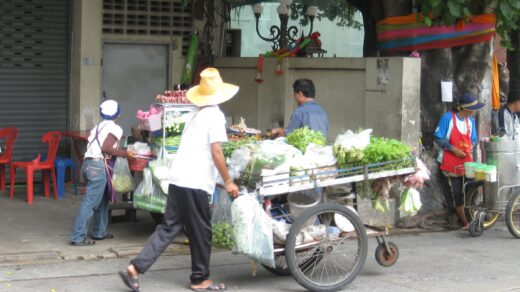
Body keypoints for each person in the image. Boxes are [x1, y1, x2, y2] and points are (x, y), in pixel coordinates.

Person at [119, 68, 240, 292]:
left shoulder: (194, 114)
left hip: (178, 179)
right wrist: (228, 180)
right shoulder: (214, 115)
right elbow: (216, 152)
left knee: (168, 227)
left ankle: (135, 268)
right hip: (194, 183)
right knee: (202, 231)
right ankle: (200, 279)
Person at [70, 99, 134, 246]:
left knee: (103, 200)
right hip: (98, 167)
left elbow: (101, 143)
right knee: (90, 203)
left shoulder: (98, 127)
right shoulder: (115, 128)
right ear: (118, 114)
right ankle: (78, 237)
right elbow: (106, 148)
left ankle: (100, 232)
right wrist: (125, 153)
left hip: (88, 165)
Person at [434, 92, 485, 230]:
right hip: (449, 162)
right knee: (456, 193)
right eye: (473, 109)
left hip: (466, 162)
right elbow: (438, 137)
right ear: (466, 108)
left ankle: (472, 220)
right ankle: (467, 223)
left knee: (469, 191)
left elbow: (473, 139)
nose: (474, 112)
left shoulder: (471, 122)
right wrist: (453, 149)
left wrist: (466, 149)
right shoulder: (447, 118)